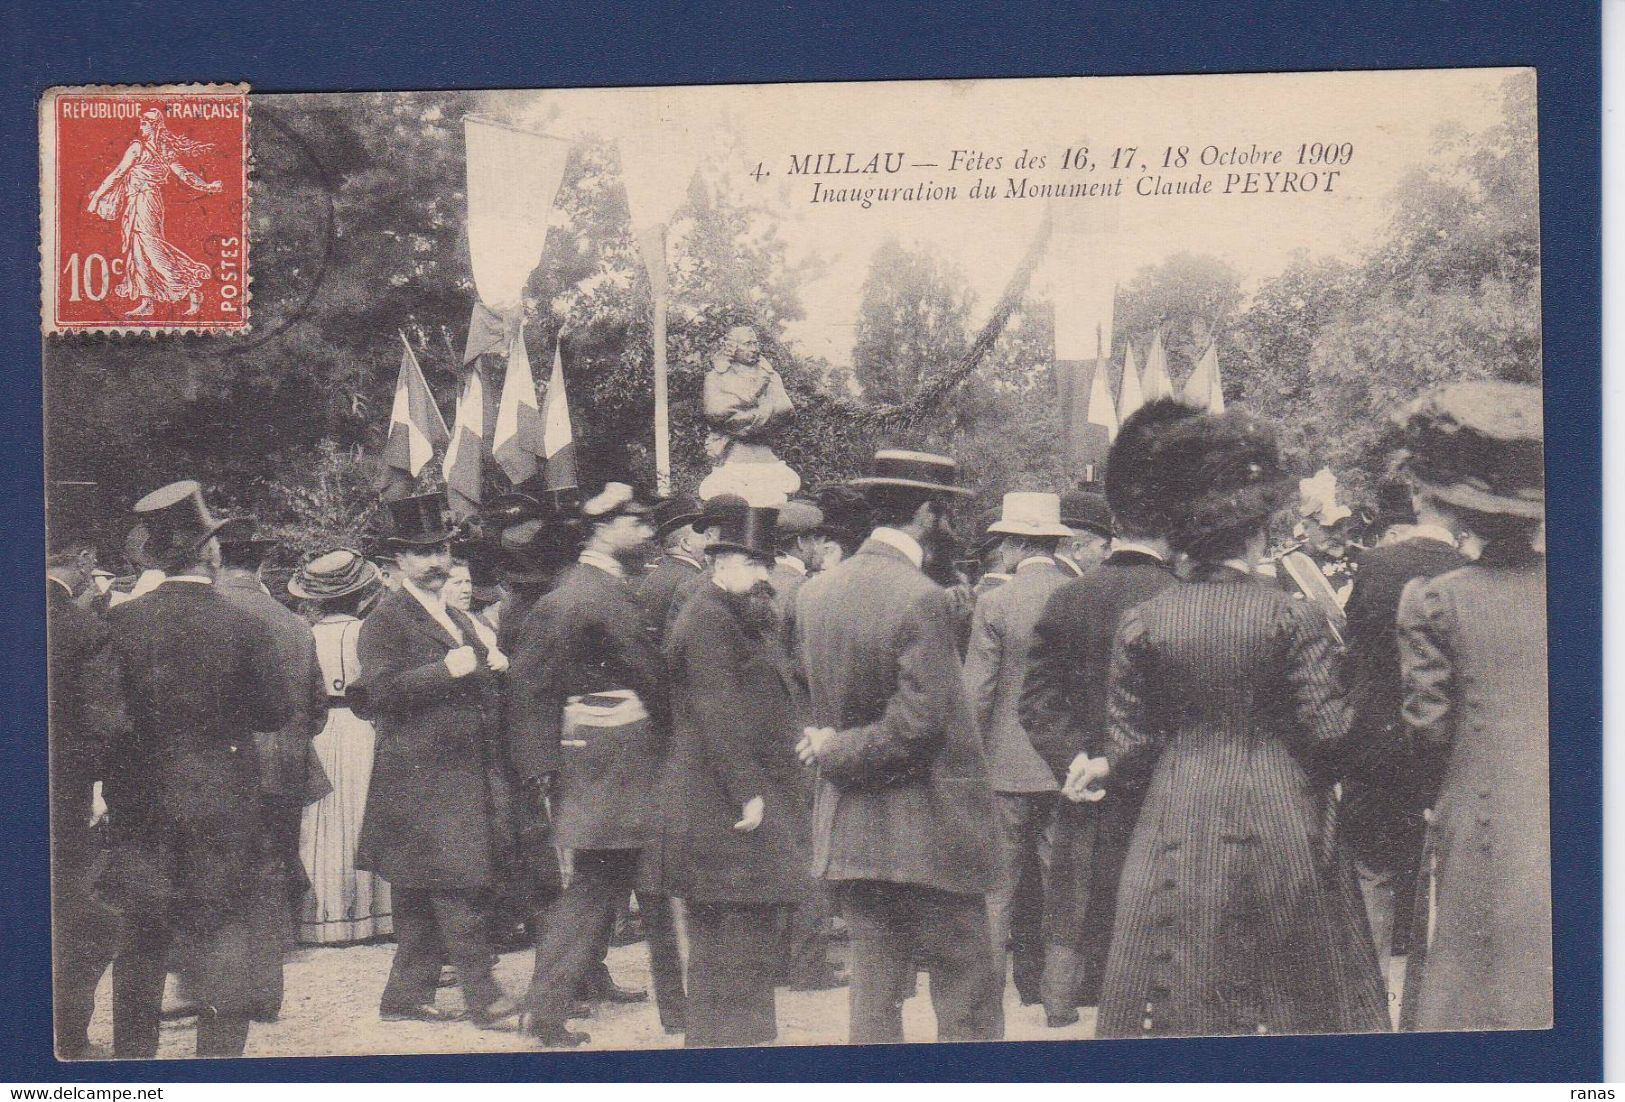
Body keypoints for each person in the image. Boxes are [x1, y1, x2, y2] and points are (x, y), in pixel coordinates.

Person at [1070, 410, 1389, 1038]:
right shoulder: (1289, 618)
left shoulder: (1145, 618)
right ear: (1256, 534)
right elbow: (1329, 734)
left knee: (1184, 984)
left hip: (1178, 811)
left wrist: (1104, 763)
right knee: (1299, 998)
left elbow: (1131, 745)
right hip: (1284, 814)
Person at [795, 449, 1003, 1044]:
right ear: (925, 512)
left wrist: (830, 746)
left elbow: (813, 706)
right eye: (945, 513)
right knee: (967, 997)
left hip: (852, 831)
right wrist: (836, 747)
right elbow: (918, 727)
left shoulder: (816, 593)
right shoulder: (921, 597)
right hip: (931, 834)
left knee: (874, 995)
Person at [99, 481, 294, 1058]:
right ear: (209, 554)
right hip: (223, 800)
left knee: (140, 936)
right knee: (224, 926)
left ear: (156, 554)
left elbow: (107, 719)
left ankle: (133, 1062)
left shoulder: (120, 623)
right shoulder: (245, 624)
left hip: (140, 800)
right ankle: (218, 1059)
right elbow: (274, 712)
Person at [1019, 399, 1193, 1023]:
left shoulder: (1069, 599)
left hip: (1084, 791)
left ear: (1115, 523)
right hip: (1163, 791)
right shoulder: (1183, 598)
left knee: (1078, 911)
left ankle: (1068, 1010)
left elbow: (1035, 700)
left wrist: (1078, 759)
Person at [1393, 381, 1549, 1032]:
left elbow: (1427, 728)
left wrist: (1427, 794)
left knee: (1476, 980)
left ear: (1452, 510)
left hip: (1484, 812)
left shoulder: (1434, 600)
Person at [509, 483, 686, 1047]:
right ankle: (679, 1010)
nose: (647, 532)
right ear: (603, 529)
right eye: (636, 523)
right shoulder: (595, 595)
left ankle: (552, 1009)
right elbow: (650, 679)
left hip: (604, 760)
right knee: (630, 884)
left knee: (610, 885)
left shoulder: (580, 592)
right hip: (623, 758)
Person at [349, 491, 521, 1029]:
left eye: (442, 549)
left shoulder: (454, 616)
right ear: (398, 561)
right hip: (420, 778)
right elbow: (377, 693)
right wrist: (449, 669)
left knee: (424, 895)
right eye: (422, 552)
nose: (436, 562)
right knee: (455, 886)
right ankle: (484, 996)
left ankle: (403, 997)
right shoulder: (385, 619)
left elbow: (471, 675)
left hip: (458, 776)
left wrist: (494, 665)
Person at [648, 499, 813, 1046]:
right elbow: (717, 714)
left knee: (741, 924)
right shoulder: (708, 619)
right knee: (730, 928)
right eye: (754, 563)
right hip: (720, 799)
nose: (765, 574)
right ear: (722, 560)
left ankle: (740, 1039)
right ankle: (726, 1046)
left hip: (728, 793)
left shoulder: (733, 611)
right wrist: (748, 793)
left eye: (765, 563)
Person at [1338, 472, 1466, 982]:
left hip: (1377, 740)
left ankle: (1370, 991)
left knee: (1373, 867)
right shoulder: (1470, 571)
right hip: (1450, 743)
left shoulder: (1375, 565)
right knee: (1439, 871)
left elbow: (1353, 651)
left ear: (1417, 501)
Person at [962, 491, 1074, 1007]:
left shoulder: (996, 601)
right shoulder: (1078, 594)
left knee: (998, 887)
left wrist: (969, 760)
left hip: (1003, 766)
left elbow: (977, 694)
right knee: (1060, 886)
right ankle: (1057, 1001)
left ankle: (984, 999)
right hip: (1064, 766)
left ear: (1014, 544)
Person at [214, 519, 329, 928]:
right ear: (261, 566)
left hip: (223, 764)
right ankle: (280, 933)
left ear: (213, 559)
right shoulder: (295, 624)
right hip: (286, 759)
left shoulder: (209, 613)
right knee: (278, 849)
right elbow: (318, 709)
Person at [46, 519, 122, 1058]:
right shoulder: (80, 628)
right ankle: (68, 1036)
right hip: (64, 800)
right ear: (82, 556)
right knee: (83, 919)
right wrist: (99, 789)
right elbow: (105, 727)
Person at [289, 549, 393, 945]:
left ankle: (327, 915)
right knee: (363, 812)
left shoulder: (307, 635)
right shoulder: (367, 632)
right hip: (360, 725)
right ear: (361, 593)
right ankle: (373, 914)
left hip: (320, 728)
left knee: (321, 822)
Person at [85, 108, 221, 318]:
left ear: (155, 125)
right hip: (138, 202)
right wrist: (207, 186)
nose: (142, 126)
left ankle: (190, 288)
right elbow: (120, 174)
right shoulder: (152, 148)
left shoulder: (142, 149)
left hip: (146, 202)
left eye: (145, 122)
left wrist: (207, 186)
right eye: (141, 122)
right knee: (138, 250)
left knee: (151, 248)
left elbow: (120, 174)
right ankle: (147, 301)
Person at [1056, 487, 1113, 578]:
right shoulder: (1078, 588)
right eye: (1104, 547)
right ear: (1077, 550)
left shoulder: (1037, 574)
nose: (1108, 555)